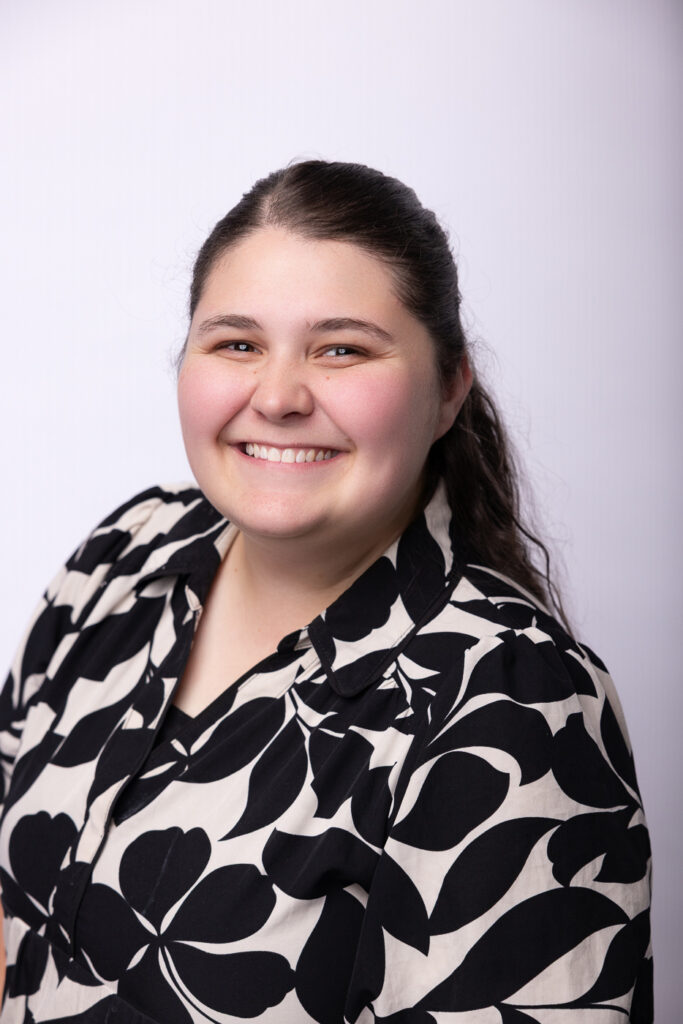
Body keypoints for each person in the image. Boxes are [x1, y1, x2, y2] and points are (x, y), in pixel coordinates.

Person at [0, 160, 652, 1023]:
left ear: (449, 388)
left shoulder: (513, 702)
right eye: (237, 344)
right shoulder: (126, 556)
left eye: (341, 348)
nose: (277, 396)